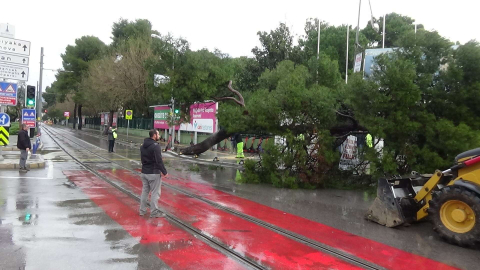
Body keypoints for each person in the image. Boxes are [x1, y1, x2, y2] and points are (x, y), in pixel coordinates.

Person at [139, 129, 168, 218]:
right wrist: (164, 172)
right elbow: (158, 161)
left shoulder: (143, 145)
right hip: (153, 173)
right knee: (155, 193)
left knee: (145, 192)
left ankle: (142, 211)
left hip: (144, 172)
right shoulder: (156, 146)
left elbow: (143, 159)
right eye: (158, 134)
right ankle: (154, 212)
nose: (159, 135)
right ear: (154, 135)